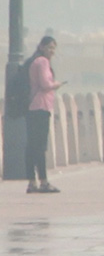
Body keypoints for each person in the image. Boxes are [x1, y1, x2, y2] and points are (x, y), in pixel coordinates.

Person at [25, 35, 64, 193]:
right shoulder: (42, 62)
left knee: (32, 146)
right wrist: (57, 84)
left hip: (33, 108)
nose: (52, 51)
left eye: (54, 48)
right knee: (40, 147)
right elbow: (45, 84)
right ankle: (43, 181)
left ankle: (32, 182)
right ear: (41, 47)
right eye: (49, 47)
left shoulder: (34, 61)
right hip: (40, 107)